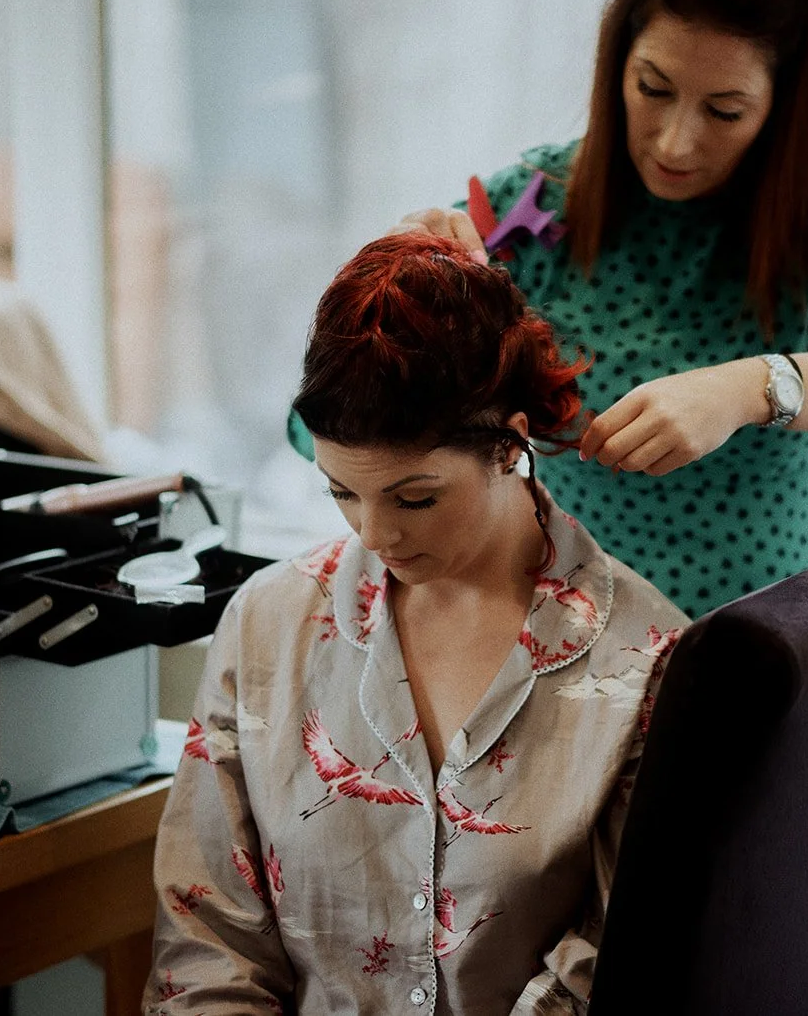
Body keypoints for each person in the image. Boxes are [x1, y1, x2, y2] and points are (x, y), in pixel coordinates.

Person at [352, 0, 808, 1008]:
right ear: (615, 58)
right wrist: (409, 296)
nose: (676, 138)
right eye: (652, 89)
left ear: (786, 101)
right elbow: (328, 430)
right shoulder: (528, 214)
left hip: (784, 718)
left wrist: (757, 385)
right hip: (574, 725)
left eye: (725, 107)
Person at [147, 235, 689, 1014]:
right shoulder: (268, 625)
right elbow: (206, 943)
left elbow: (619, 968)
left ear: (510, 444)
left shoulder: (646, 661)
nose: (374, 536)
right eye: (342, 492)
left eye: (415, 498)